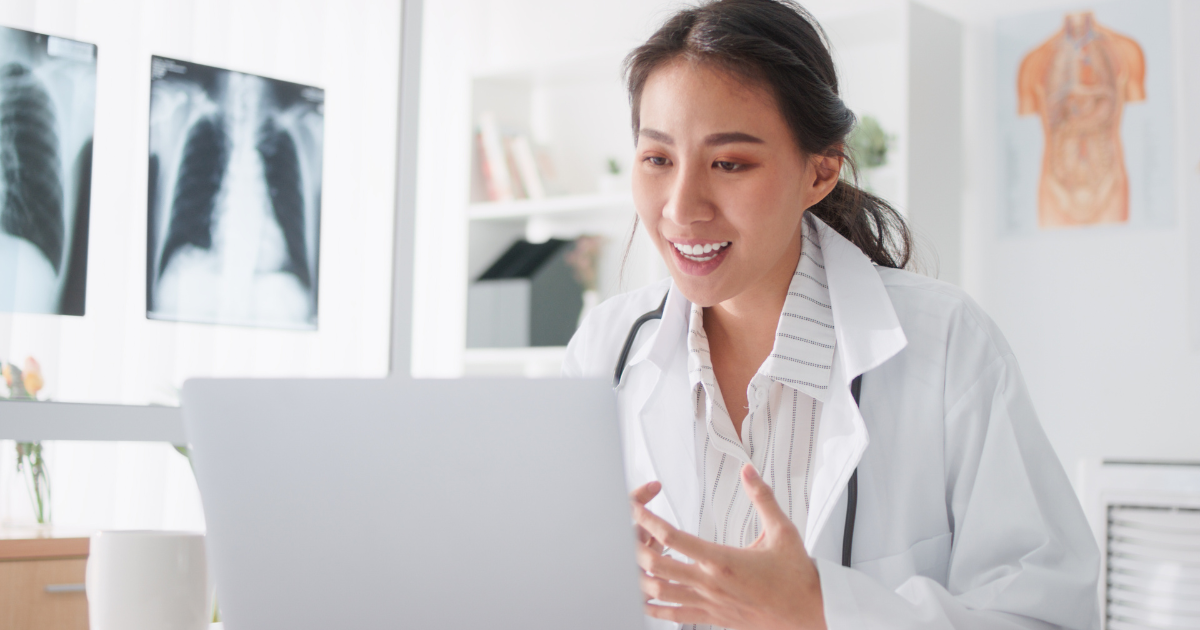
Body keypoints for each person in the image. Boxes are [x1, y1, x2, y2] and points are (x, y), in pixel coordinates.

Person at [561, 1, 1101, 628]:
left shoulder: (946, 344)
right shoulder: (605, 350)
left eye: (729, 163)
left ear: (820, 171)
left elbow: (1053, 617)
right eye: (658, 160)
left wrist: (823, 612)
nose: (683, 209)